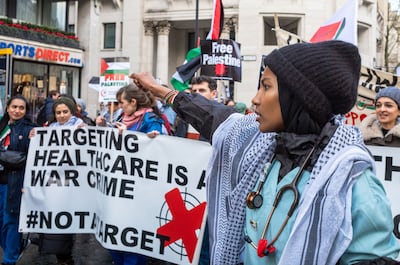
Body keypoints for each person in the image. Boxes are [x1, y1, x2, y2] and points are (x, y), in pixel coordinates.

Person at [131, 40, 400, 265]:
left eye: (266, 86)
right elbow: (215, 117)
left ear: (300, 97)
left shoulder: (355, 184)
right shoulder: (259, 144)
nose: (256, 99)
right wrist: (161, 91)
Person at [38, 97, 84, 265]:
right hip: (54, 181)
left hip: (73, 183)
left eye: (65, 112)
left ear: (72, 111)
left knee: (67, 218)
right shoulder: (50, 128)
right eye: (58, 112)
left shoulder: (81, 126)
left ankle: (66, 256)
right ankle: (60, 256)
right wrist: (36, 136)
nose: (62, 115)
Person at [0, 95, 36, 265]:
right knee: (2, 224)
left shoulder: (30, 129)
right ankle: (17, 246)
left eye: (21, 108)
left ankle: (10, 259)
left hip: (15, 183)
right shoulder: (1, 126)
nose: (17, 110)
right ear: (8, 108)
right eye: (14, 107)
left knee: (11, 222)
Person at [174, 76, 217, 140]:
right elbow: (177, 141)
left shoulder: (222, 118)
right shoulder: (185, 116)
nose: (197, 94)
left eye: (202, 90)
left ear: (213, 94)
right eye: (194, 91)